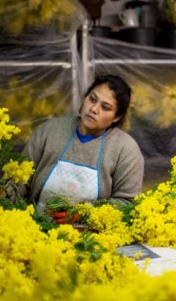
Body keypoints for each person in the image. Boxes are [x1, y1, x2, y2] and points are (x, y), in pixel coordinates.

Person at [25, 74, 144, 214]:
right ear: (84, 98)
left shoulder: (126, 150)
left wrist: (83, 214)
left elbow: (126, 203)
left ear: (116, 117)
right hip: (35, 227)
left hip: (93, 234)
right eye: (92, 99)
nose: (94, 109)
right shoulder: (49, 131)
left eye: (105, 107)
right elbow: (20, 180)